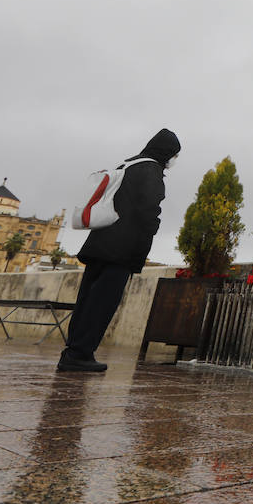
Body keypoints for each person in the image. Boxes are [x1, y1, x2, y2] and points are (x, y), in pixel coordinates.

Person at [58, 128, 181, 372]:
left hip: (100, 243)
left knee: (87, 301)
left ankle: (73, 351)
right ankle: (80, 354)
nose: (174, 160)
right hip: (121, 249)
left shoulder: (130, 164)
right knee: (102, 303)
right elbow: (148, 210)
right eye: (174, 155)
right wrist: (150, 232)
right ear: (166, 153)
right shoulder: (152, 171)